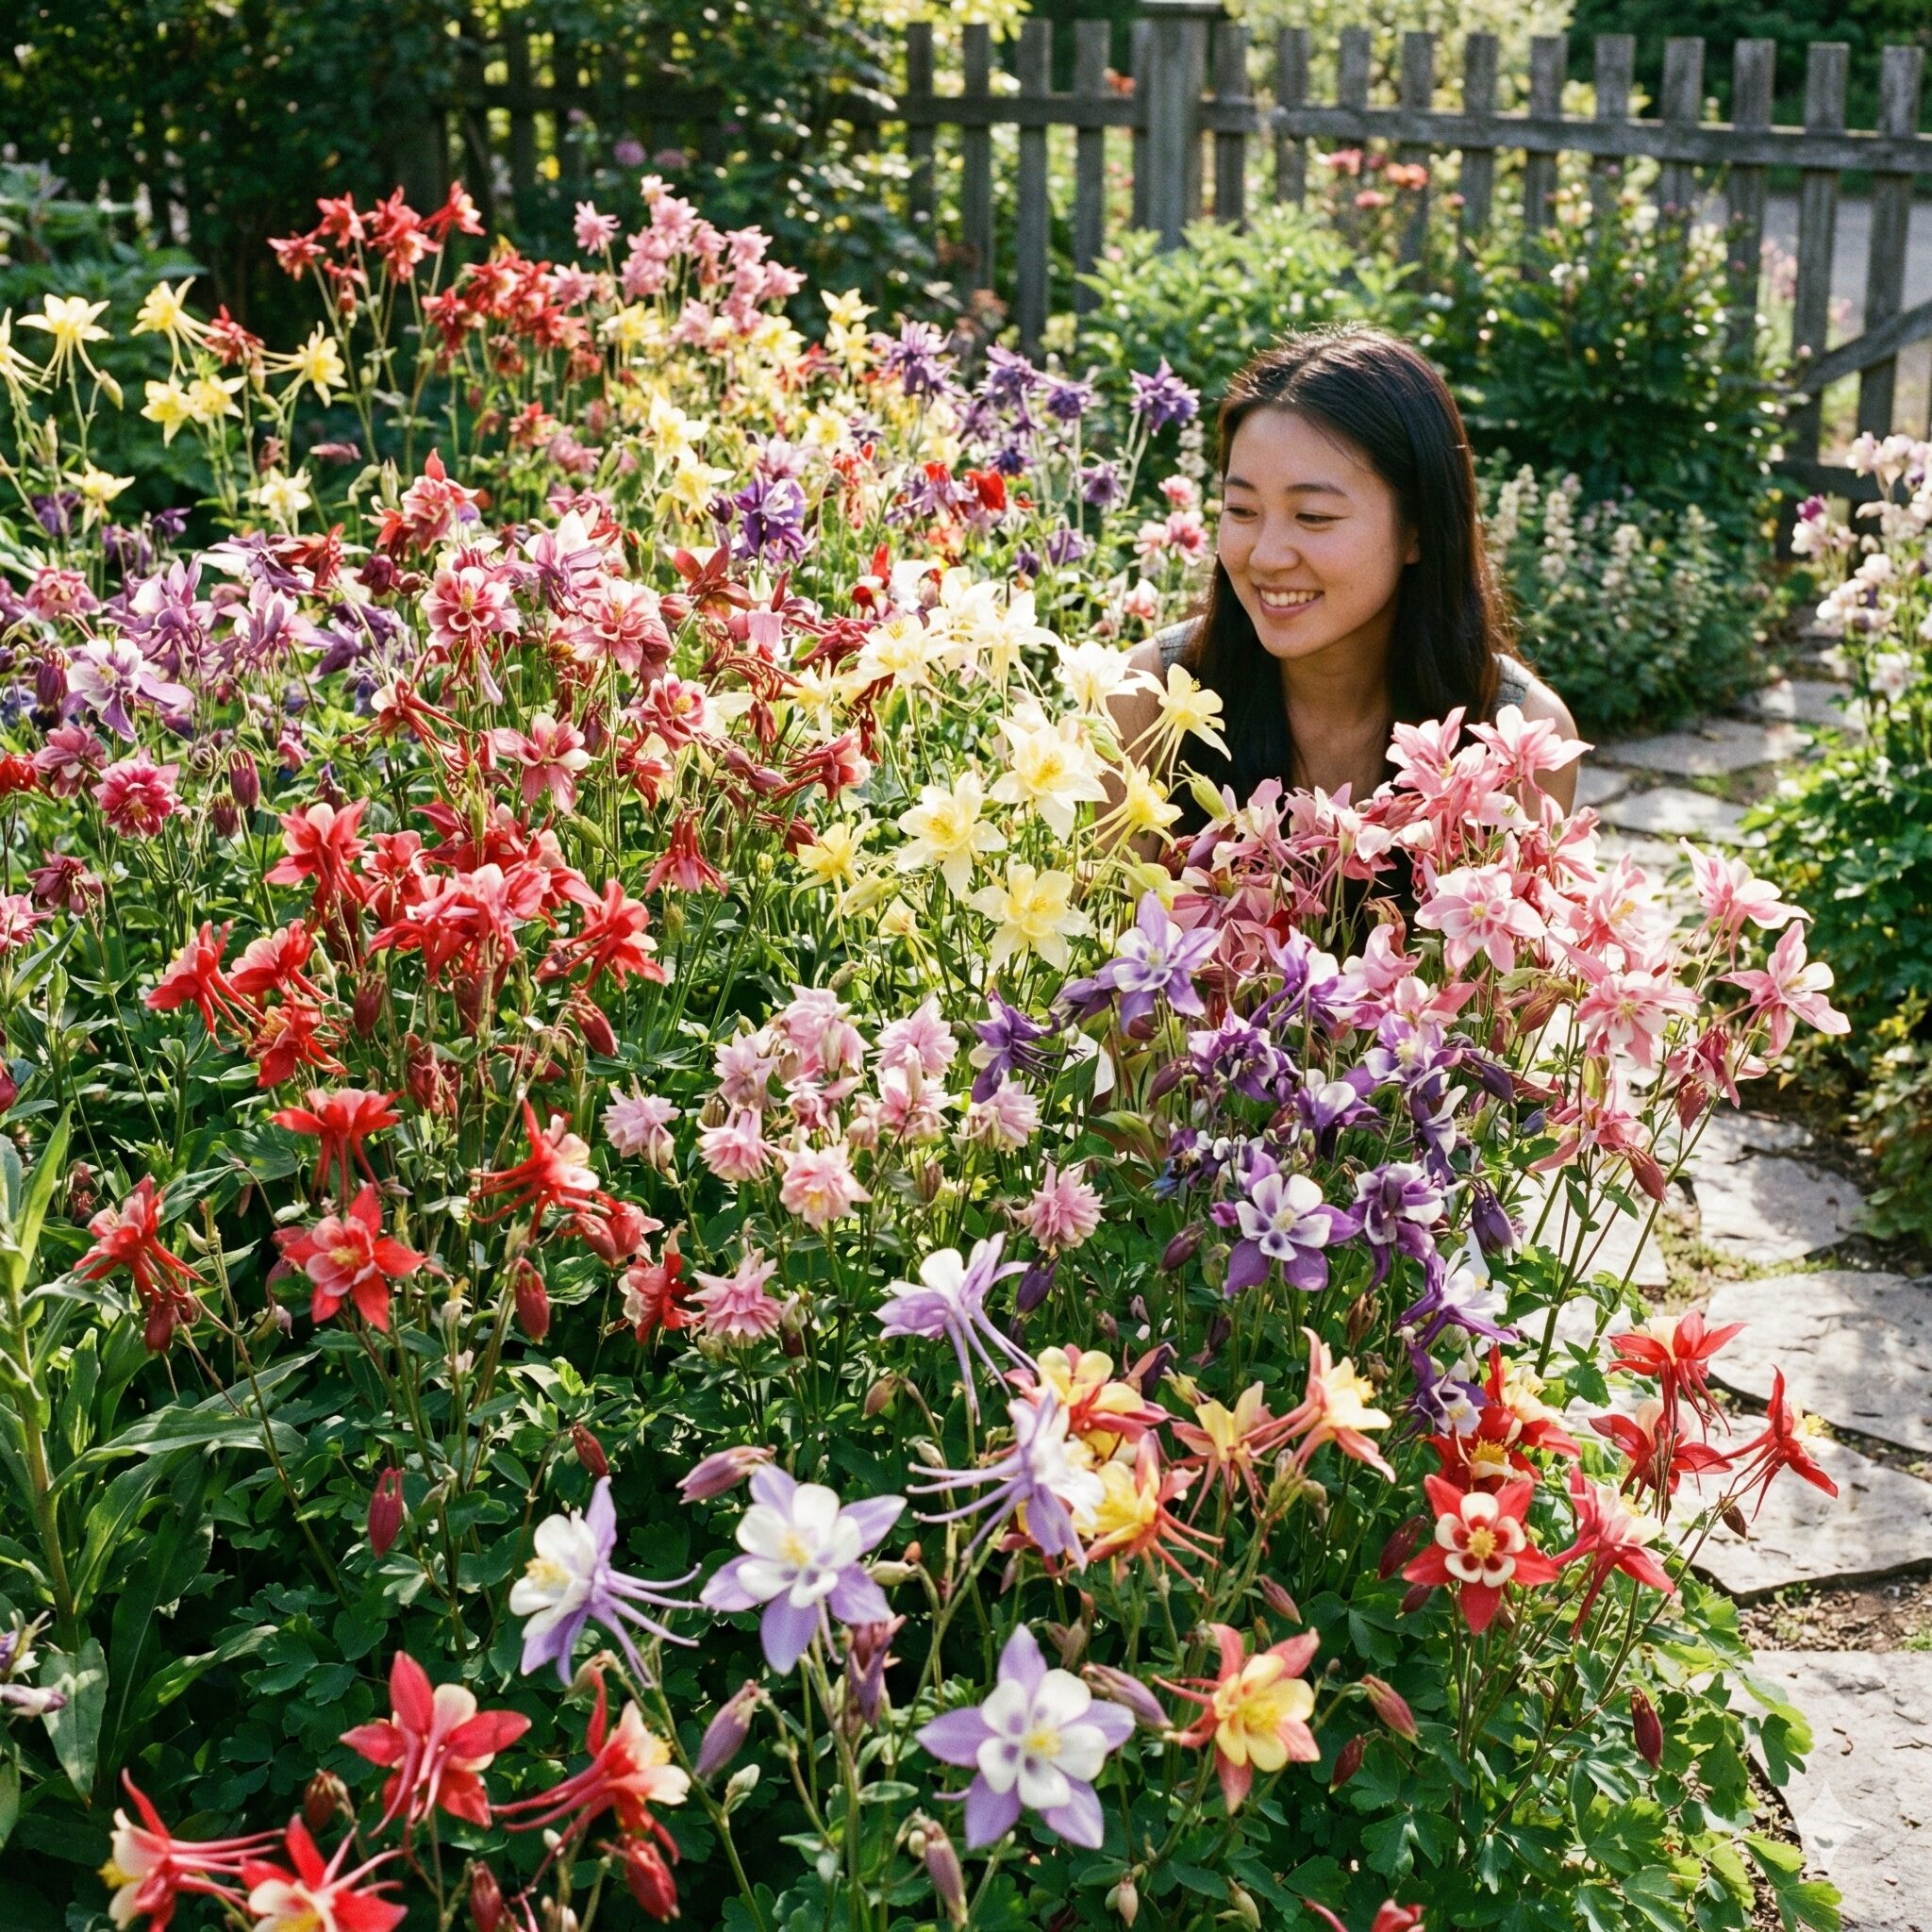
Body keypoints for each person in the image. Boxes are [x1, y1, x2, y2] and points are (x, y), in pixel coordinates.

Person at [1110, 328, 1580, 827]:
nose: (1266, 557)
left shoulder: (1520, 738)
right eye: (1242, 509)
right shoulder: (1147, 702)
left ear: (1418, 530)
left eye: (1313, 516)